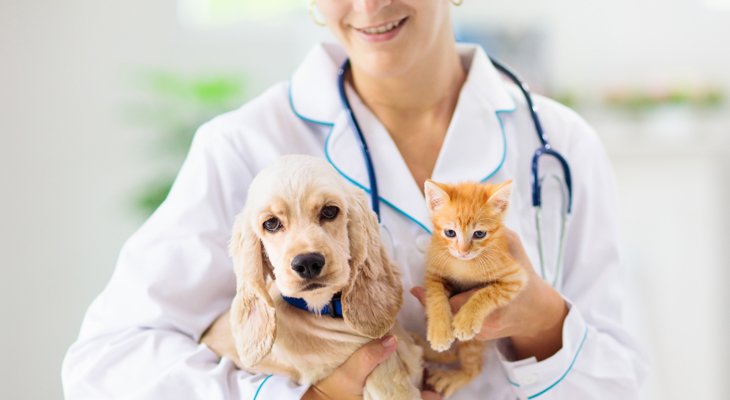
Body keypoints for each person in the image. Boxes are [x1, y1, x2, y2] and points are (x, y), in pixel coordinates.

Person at [62, 0, 648, 399]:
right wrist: (301, 394)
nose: (368, 5)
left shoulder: (560, 146)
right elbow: (105, 366)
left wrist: (544, 322)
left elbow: (627, 384)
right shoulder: (240, 147)